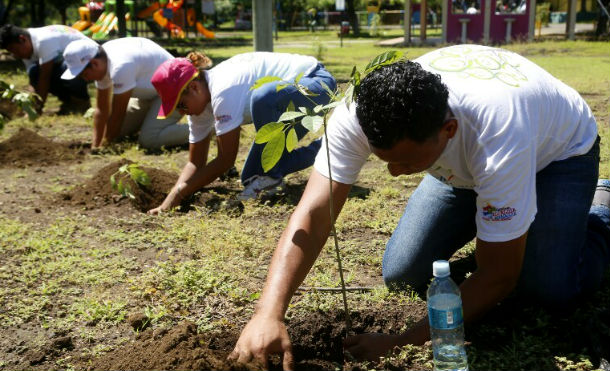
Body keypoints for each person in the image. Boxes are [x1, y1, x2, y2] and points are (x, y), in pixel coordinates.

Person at [228, 44, 610, 369]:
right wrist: (268, 312)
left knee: (548, 288)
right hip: (461, 170)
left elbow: (500, 275)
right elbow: (312, 213)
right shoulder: (360, 112)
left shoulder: (498, 134)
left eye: (407, 162)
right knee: (403, 271)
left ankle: (600, 209)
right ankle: (508, 225)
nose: (394, 174)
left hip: (557, 156)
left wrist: (402, 340)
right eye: (385, 160)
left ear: (448, 130)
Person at [147, 51, 336, 213]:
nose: (181, 112)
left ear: (195, 87)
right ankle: (332, 145)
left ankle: (274, 175)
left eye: (181, 105)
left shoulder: (223, 90)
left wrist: (181, 193)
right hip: (286, 102)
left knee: (263, 97)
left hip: (316, 85)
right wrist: (172, 197)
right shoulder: (198, 109)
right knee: (252, 177)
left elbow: (225, 160)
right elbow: (195, 163)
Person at [61, 37, 188, 150]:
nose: (85, 79)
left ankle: (204, 129)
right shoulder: (102, 61)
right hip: (151, 94)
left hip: (177, 90)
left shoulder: (120, 66)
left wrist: (105, 145)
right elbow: (101, 109)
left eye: (84, 74)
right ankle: (153, 122)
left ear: (94, 64)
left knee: (149, 140)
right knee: (117, 130)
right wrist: (96, 144)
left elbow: (118, 114)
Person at [0, 24, 91, 115]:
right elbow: (34, 82)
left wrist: (37, 108)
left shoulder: (43, 41)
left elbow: (44, 77)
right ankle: (69, 102)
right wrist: (28, 105)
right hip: (69, 62)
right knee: (34, 72)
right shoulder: (27, 46)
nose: (16, 55)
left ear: (22, 39)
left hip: (91, 62)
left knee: (67, 68)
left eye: (15, 50)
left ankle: (81, 103)